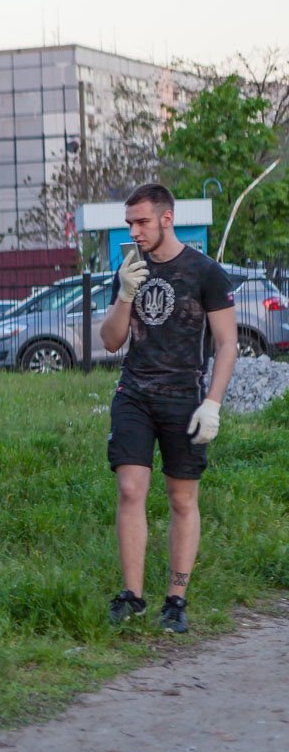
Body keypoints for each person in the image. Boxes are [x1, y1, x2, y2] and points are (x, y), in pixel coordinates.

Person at [101, 183, 237, 634]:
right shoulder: (129, 269)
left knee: (181, 498)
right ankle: (132, 596)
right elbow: (111, 341)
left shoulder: (205, 272)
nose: (134, 232)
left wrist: (212, 403)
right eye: (129, 224)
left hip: (184, 396)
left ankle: (176, 600)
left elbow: (227, 343)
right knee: (130, 489)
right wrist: (124, 294)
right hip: (134, 393)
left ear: (166, 218)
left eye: (141, 222)